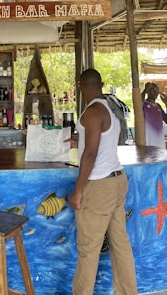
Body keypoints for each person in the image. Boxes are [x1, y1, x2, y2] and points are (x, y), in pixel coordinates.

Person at [68, 68, 137, 295]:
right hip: (117, 181)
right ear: (101, 83)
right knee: (120, 245)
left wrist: (78, 190)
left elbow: (91, 153)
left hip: (98, 187)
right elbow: (110, 139)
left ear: (80, 86)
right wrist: (79, 138)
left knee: (88, 249)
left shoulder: (92, 112)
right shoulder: (109, 107)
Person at [141, 82, 167, 148]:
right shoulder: (144, 104)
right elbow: (138, 102)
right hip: (148, 143)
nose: (155, 92)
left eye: (156, 90)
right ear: (148, 91)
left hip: (160, 144)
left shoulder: (158, 106)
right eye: (152, 90)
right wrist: (144, 91)